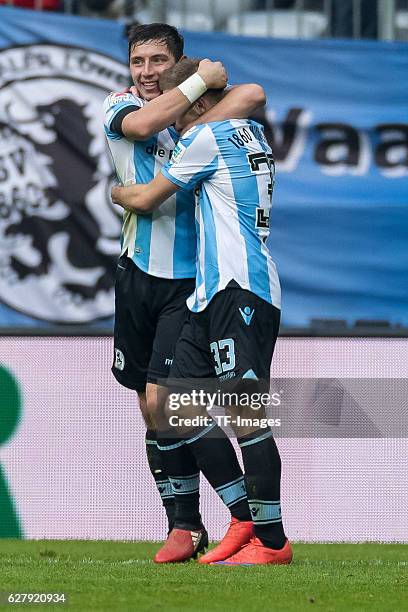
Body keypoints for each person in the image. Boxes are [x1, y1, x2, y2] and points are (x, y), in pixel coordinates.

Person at [111, 58, 293, 566]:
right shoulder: (247, 131)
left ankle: (272, 542)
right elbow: (248, 97)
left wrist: (115, 191)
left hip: (242, 289)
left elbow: (146, 198)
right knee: (170, 404)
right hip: (208, 295)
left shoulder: (205, 139)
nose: (173, 125)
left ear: (199, 106)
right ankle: (242, 518)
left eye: (180, 116)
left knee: (245, 415)